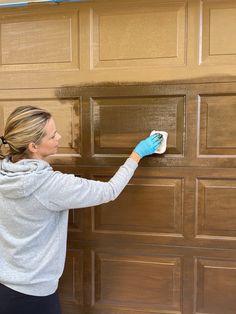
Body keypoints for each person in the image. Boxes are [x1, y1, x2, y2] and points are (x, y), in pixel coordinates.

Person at [0, 105, 162, 314]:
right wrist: (137, 154)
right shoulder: (51, 186)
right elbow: (109, 191)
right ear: (33, 146)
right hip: (35, 295)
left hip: (4, 288)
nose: (59, 136)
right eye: (52, 135)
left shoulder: (3, 175)